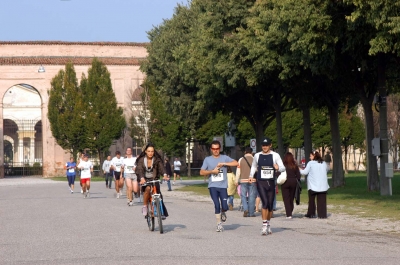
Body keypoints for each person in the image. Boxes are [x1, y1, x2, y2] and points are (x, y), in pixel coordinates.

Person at [200, 140, 238, 232]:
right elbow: (201, 172)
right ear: (211, 149)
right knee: (216, 204)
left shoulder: (224, 157)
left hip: (223, 186)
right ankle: (219, 224)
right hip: (213, 186)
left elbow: (236, 163)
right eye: (213, 148)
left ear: (220, 149)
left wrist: (224, 164)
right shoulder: (207, 159)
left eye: (217, 148)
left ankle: (223, 212)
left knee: (225, 206)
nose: (215, 150)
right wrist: (212, 171)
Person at [249, 137, 285, 236]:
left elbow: (283, 168)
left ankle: (268, 224)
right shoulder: (257, 155)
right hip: (261, 182)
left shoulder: (275, 155)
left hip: (271, 182)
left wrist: (278, 168)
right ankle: (264, 226)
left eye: (267, 145)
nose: (265, 147)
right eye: (263, 145)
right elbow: (253, 166)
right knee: (264, 203)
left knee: (269, 205)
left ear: (270, 145)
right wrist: (250, 176)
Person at [136, 143, 169, 219]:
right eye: (149, 151)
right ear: (145, 152)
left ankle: (161, 212)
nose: (150, 153)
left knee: (158, 194)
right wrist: (141, 178)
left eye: (152, 151)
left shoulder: (157, 159)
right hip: (144, 179)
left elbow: (162, 168)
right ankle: (145, 206)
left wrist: (164, 175)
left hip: (154, 179)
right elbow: (139, 169)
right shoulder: (141, 160)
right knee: (147, 189)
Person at [300, 150, 330, 219]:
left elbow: (305, 172)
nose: (309, 157)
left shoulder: (311, 163)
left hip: (313, 185)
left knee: (311, 201)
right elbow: (327, 170)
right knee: (322, 201)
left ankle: (311, 213)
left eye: (310, 156)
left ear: (314, 156)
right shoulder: (324, 163)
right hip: (323, 185)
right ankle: (322, 215)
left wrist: (299, 170)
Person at [235, 147, 257, 217]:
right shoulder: (254, 159)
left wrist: (236, 180)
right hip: (252, 180)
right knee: (252, 196)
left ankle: (245, 208)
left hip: (243, 180)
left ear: (245, 152)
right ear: (252, 152)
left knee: (243, 195)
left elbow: (238, 171)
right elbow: (257, 170)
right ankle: (251, 213)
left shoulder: (241, 160)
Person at [281, 152, 301, 219]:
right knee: (291, 198)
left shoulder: (283, 165)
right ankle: (290, 211)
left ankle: (288, 214)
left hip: (285, 181)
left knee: (286, 198)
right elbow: (298, 175)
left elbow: (278, 173)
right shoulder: (294, 165)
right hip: (293, 182)